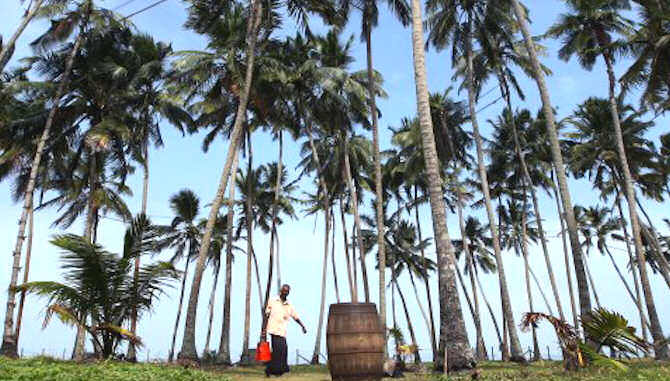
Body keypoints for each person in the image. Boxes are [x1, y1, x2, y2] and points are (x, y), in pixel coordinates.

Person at [262, 284, 306, 377]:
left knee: (283, 350)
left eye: (287, 292)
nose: (285, 293)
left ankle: (273, 369)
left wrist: (302, 326)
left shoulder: (288, 304)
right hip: (273, 329)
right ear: (280, 291)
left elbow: (295, 316)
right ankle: (273, 370)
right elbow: (266, 314)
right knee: (278, 350)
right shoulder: (273, 301)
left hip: (282, 331)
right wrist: (263, 329)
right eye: (284, 291)